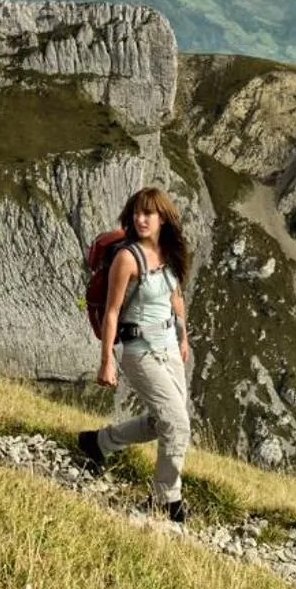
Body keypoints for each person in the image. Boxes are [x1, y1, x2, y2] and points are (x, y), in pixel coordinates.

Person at [78, 187, 194, 522]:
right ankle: (165, 498)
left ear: (162, 218)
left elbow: (176, 298)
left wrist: (183, 338)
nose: (141, 219)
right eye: (136, 213)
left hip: (170, 346)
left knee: (162, 422)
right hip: (140, 351)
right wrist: (106, 361)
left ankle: (98, 442)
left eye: (149, 214)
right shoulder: (127, 258)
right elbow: (112, 312)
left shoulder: (168, 252)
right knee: (178, 424)